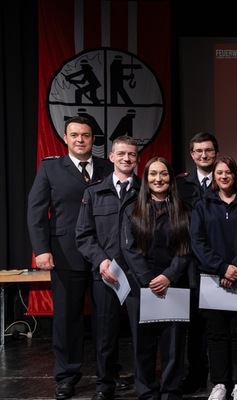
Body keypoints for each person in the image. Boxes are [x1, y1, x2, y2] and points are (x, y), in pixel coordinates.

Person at [27, 116, 113, 400]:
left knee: (106, 319)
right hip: (65, 254)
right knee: (67, 319)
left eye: (86, 135)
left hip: (104, 256)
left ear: (93, 139)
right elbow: (36, 211)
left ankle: (107, 376)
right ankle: (66, 376)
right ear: (65, 138)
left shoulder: (108, 167)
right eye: (74, 135)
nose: (80, 140)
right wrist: (41, 249)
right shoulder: (50, 168)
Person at [191, 156, 237, 400]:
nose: (224, 176)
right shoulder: (203, 205)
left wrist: (236, 268)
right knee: (216, 333)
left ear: (235, 175)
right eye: (219, 172)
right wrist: (222, 268)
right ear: (214, 176)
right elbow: (198, 242)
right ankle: (220, 383)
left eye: (228, 172)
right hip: (212, 281)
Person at [76, 135, 141, 400]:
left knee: (142, 333)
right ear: (111, 157)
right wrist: (101, 260)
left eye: (132, 155)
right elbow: (83, 234)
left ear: (137, 159)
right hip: (106, 274)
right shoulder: (94, 191)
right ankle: (105, 386)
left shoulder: (146, 190)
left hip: (138, 275)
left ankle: (145, 384)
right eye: (122, 154)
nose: (127, 159)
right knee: (104, 334)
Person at [121, 157, 192, 400]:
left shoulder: (183, 210)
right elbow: (128, 248)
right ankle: (147, 392)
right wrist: (150, 278)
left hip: (174, 286)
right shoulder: (133, 209)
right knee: (143, 345)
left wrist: (168, 276)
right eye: (152, 174)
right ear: (146, 178)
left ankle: (171, 391)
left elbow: (187, 249)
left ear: (171, 178)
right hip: (141, 288)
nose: (158, 179)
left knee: (173, 346)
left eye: (163, 174)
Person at [175, 132, 219, 394]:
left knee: (218, 324)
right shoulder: (180, 185)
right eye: (198, 151)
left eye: (209, 150)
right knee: (193, 326)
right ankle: (196, 376)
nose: (204, 155)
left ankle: (221, 377)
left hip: (218, 264)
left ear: (216, 153)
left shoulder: (228, 179)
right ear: (192, 155)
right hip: (188, 266)